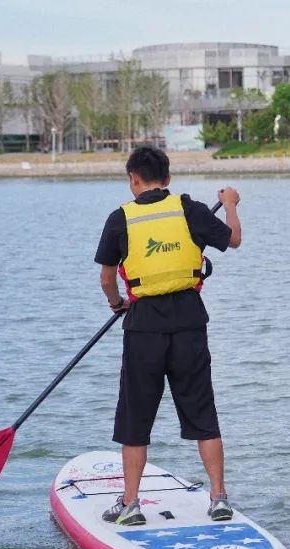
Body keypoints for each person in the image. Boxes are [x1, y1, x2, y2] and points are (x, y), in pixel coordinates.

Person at [94, 145, 242, 526]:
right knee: (202, 413)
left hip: (143, 327)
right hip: (190, 325)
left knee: (135, 419)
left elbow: (107, 279)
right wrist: (230, 204)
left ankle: (130, 504)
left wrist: (118, 304)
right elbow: (234, 239)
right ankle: (219, 498)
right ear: (168, 179)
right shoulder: (189, 208)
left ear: (133, 180)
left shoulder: (120, 218)